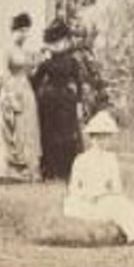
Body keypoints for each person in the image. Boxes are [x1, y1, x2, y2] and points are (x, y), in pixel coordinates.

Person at [63, 110, 134, 244]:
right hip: (85, 202)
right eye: (97, 137)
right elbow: (73, 188)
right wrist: (88, 196)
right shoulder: (81, 160)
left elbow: (117, 187)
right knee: (114, 205)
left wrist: (106, 195)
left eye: (105, 137)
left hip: (104, 199)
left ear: (109, 138)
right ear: (91, 138)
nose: (101, 141)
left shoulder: (110, 159)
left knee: (122, 204)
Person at [0, 13, 43, 182]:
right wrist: (10, 95)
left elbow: (29, 73)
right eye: (21, 31)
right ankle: (5, 172)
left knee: (27, 131)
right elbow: (4, 74)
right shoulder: (6, 50)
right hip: (10, 91)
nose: (24, 35)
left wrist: (37, 65)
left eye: (27, 31)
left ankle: (27, 171)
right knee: (9, 130)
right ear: (13, 31)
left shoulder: (26, 51)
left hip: (26, 91)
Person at [31, 18, 84, 180]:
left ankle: (67, 170)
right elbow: (34, 81)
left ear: (66, 41)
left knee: (68, 135)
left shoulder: (72, 62)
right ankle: (50, 169)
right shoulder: (46, 62)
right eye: (53, 42)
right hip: (48, 102)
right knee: (49, 134)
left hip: (67, 101)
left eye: (60, 41)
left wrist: (79, 104)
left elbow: (79, 83)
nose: (58, 46)